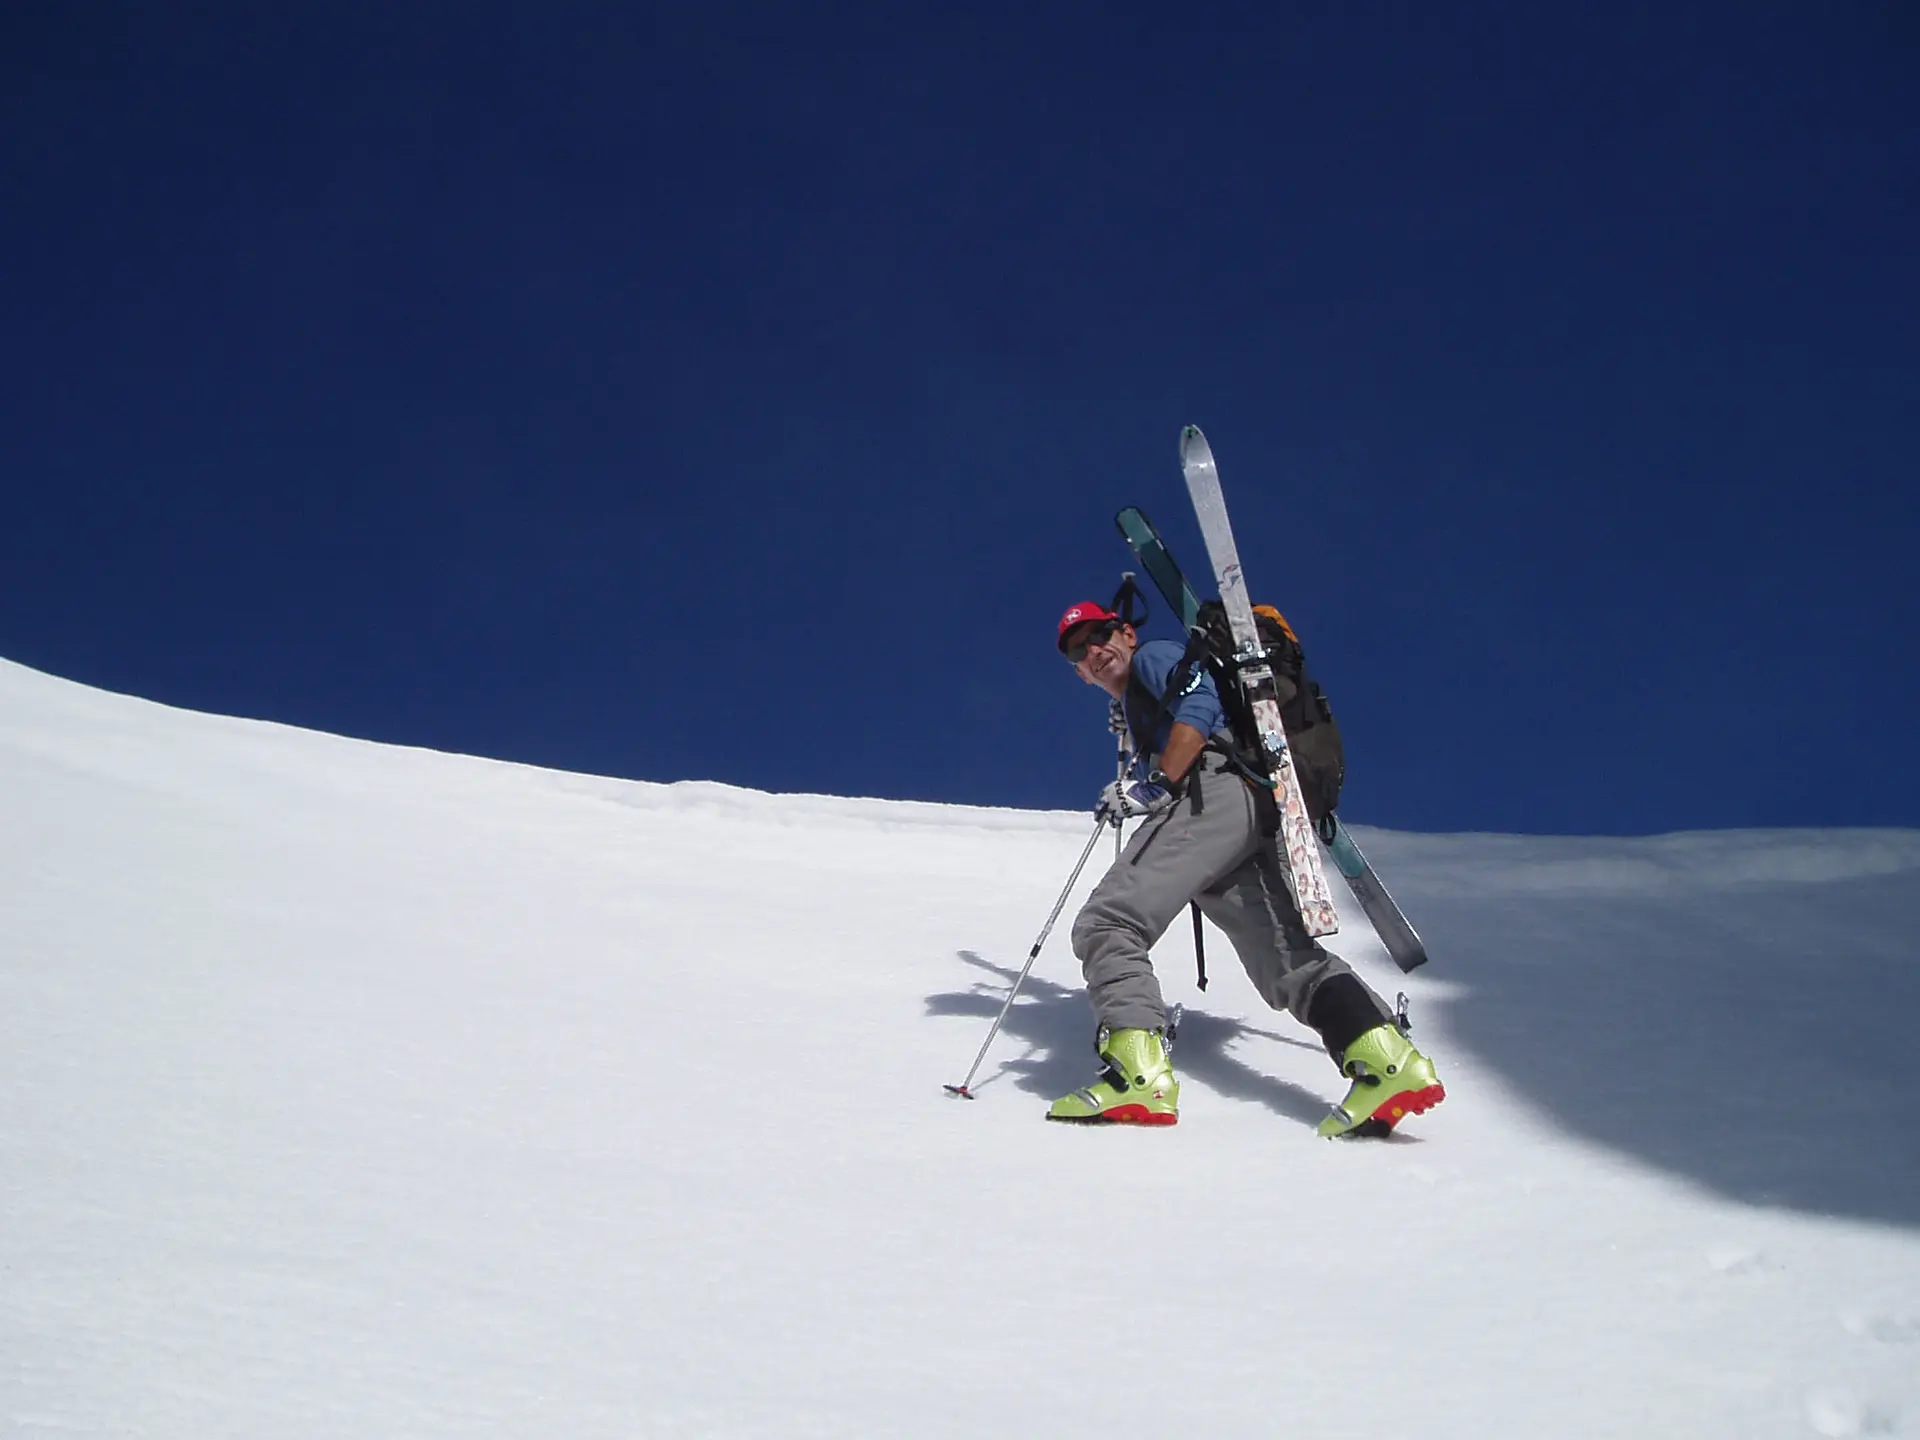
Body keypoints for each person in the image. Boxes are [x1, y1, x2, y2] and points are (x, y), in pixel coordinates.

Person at [1049, 600, 1445, 1136]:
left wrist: (1157, 783)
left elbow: (1200, 705)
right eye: (1079, 650)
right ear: (1076, 672)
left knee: (1108, 922)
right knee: (1286, 963)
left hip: (1208, 795)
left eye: (1099, 636)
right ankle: (1386, 1063)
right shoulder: (1140, 695)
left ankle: (1135, 1076)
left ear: (1126, 634)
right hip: (1246, 810)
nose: (1093, 652)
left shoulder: (1157, 656)